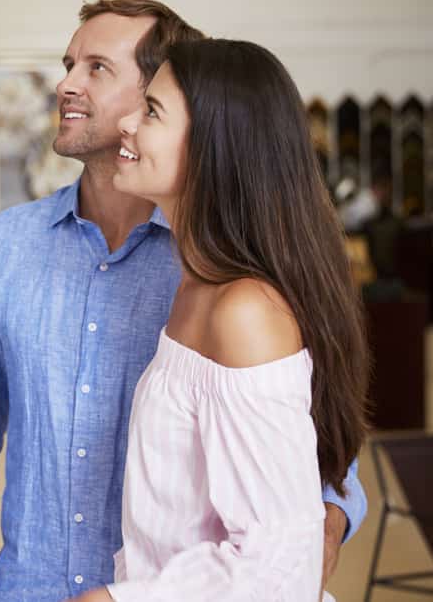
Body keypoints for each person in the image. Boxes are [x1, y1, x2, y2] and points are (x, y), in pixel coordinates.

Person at [0, 0, 367, 602]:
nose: (65, 84)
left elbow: (309, 466)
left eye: (97, 68)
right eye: (68, 63)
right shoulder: (6, 248)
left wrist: (313, 538)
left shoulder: (232, 292)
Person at [68, 38, 369, 601]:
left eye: (151, 111)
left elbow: (279, 564)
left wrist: (112, 600)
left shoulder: (245, 312)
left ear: (214, 146)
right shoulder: (196, 290)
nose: (127, 123)